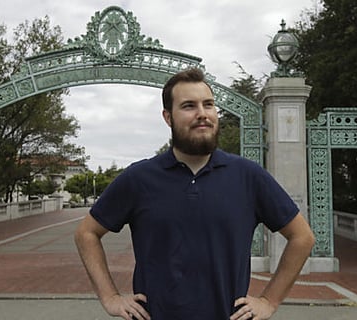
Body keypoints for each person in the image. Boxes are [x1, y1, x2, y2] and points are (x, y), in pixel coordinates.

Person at [75, 68, 315, 320]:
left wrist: (269, 300)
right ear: (168, 117)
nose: (202, 114)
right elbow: (86, 233)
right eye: (189, 106)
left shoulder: (248, 176)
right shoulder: (139, 178)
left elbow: (302, 237)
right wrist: (110, 297)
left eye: (208, 105)